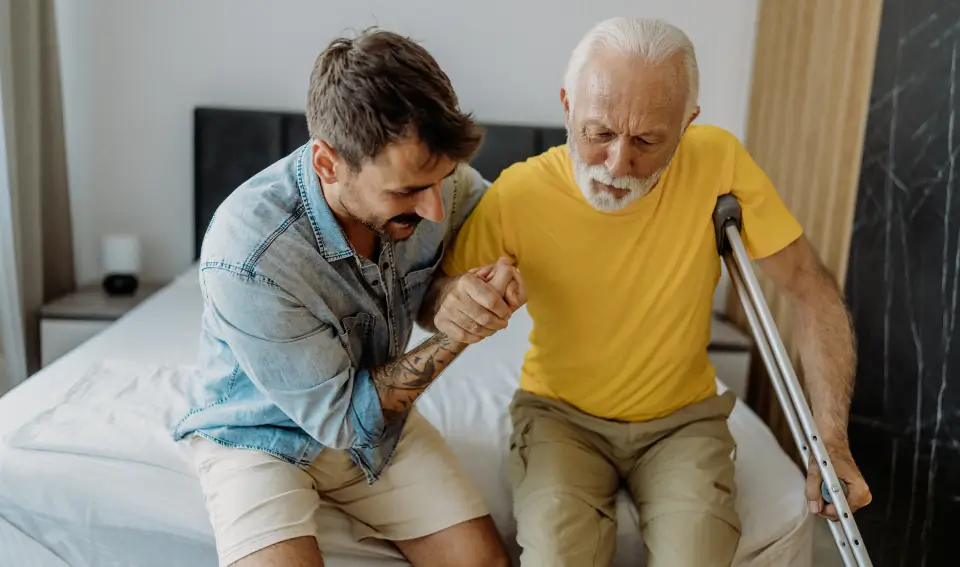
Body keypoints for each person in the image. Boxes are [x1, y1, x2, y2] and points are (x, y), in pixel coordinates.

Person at [441, 16, 872, 567]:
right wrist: (458, 299)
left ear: (688, 124)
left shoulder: (717, 159)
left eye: (648, 140)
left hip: (682, 420)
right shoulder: (519, 193)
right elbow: (439, 298)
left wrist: (830, 438)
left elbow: (810, 289)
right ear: (567, 105)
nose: (619, 164)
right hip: (560, 417)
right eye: (599, 133)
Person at [172, 28, 524, 567]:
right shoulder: (249, 253)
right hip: (258, 432)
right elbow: (343, 419)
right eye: (406, 192)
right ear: (328, 163)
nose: (434, 208)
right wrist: (455, 336)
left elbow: (452, 266)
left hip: (378, 429)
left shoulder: (437, 183)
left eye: (444, 180)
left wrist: (457, 290)